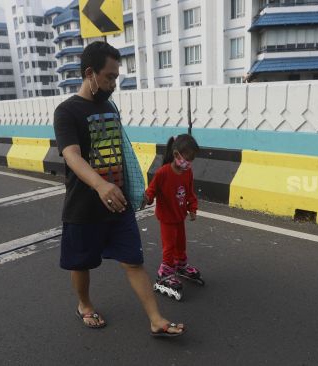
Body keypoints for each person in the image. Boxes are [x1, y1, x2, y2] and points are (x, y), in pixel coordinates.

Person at [53, 41, 185, 337]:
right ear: (90, 73)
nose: (114, 83)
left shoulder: (109, 106)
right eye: (110, 76)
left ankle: (156, 319)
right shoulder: (67, 112)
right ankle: (84, 305)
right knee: (81, 263)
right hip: (84, 206)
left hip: (118, 203)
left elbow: (120, 151)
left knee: (133, 261)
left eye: (116, 77)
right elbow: (72, 155)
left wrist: (132, 189)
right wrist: (100, 185)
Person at [144, 134, 201, 295]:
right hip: (167, 218)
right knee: (169, 246)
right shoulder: (163, 173)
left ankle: (180, 264)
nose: (189, 163)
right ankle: (165, 272)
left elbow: (190, 193)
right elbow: (151, 191)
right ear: (177, 155)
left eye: (192, 160)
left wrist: (193, 208)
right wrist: (147, 199)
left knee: (181, 243)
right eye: (188, 158)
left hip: (179, 216)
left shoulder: (187, 173)